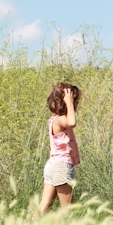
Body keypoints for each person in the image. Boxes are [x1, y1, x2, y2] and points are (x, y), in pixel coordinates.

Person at [39, 82, 81, 213]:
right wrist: (69, 101)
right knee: (68, 211)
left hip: (53, 166)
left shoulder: (54, 119)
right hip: (61, 166)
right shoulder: (61, 120)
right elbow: (72, 122)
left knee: (44, 207)